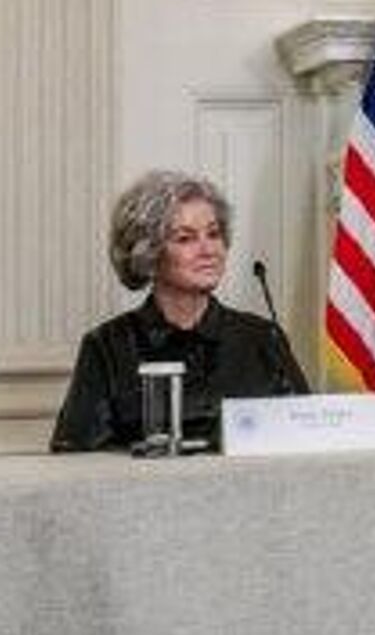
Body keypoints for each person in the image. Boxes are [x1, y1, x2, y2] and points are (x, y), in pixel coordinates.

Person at [51, 171, 308, 451]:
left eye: (214, 234)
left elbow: (309, 437)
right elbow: (74, 456)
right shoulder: (107, 346)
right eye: (185, 238)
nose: (208, 250)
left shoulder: (263, 338)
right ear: (148, 253)